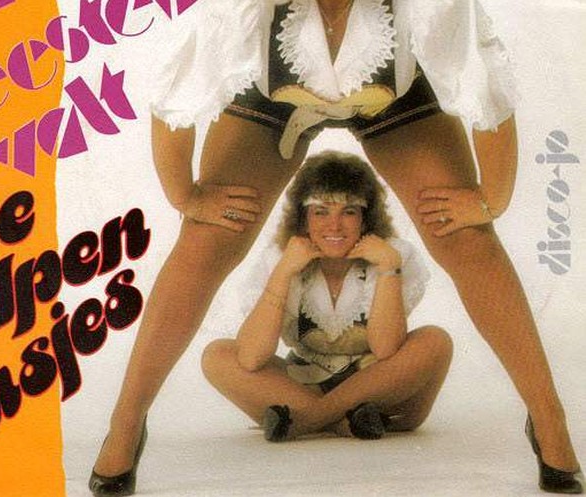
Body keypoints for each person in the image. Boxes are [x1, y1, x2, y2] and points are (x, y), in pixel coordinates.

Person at [89, 1, 583, 495]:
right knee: (203, 240)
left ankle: (547, 418)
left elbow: (483, 81)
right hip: (271, 95)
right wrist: (186, 197)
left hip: (395, 92)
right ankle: (126, 423)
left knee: (466, 238)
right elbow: (177, 91)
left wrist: (491, 199)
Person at [201, 151, 453, 443]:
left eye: (349, 212)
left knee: (435, 341)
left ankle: (305, 422)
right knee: (218, 355)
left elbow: (386, 350)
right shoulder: (281, 258)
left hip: (381, 391)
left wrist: (388, 270)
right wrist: (283, 272)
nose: (334, 226)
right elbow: (251, 356)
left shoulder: (393, 254)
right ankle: (345, 424)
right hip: (305, 385)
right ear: (303, 219)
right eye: (321, 211)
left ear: (365, 219)